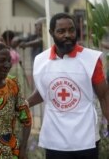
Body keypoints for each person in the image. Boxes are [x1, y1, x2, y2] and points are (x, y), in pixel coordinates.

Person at [25, 13, 109, 159]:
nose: (67, 35)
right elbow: (44, 92)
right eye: (61, 31)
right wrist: (25, 103)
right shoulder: (40, 60)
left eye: (71, 30)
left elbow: (104, 96)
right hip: (54, 139)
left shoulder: (91, 59)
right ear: (51, 33)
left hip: (86, 139)